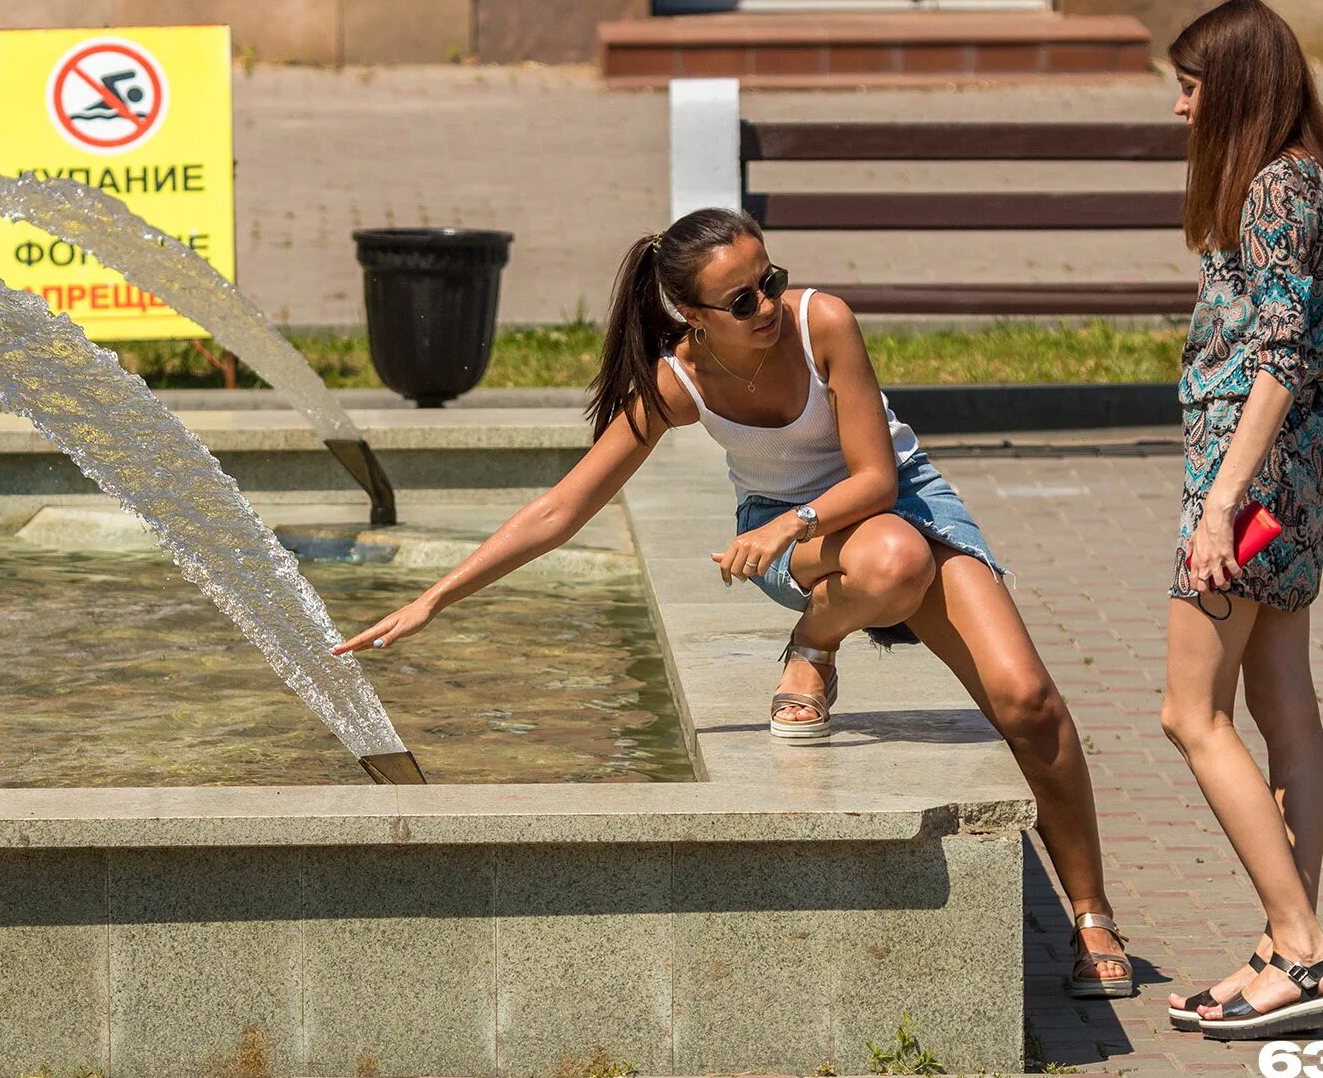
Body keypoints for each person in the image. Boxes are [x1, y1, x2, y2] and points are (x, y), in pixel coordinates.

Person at [335, 207, 1133, 997]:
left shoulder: (823, 324)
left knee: (1026, 698)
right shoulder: (679, 380)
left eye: (770, 280)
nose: (768, 305)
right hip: (809, 545)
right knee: (894, 560)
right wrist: (435, 598)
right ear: (694, 315)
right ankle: (816, 637)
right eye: (742, 299)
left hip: (887, 504)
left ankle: (1092, 912)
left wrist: (791, 521)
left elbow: (877, 481)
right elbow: (562, 509)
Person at [1156, 0, 1323, 1041]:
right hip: (1295, 468)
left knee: (1189, 711)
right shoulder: (1307, 177)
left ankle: (1303, 944)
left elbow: (1276, 356)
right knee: (1283, 704)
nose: (1181, 108)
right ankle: (1286, 951)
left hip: (1251, 477)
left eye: (1192, 87)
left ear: (1235, 86)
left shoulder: (1276, 186)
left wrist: (1220, 505)